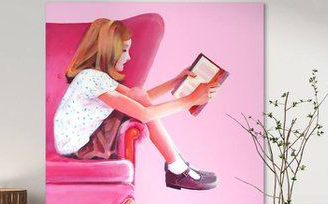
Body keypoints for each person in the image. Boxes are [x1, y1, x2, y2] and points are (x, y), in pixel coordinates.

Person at [53, 18, 220, 190]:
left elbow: (138, 98)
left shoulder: (93, 76)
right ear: (109, 50)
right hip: (81, 148)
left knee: (137, 94)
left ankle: (177, 164)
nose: (129, 57)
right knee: (142, 107)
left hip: (80, 143)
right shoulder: (92, 78)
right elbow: (144, 114)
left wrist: (175, 81)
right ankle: (177, 167)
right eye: (124, 50)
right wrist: (191, 99)